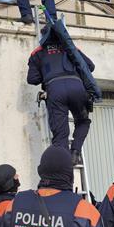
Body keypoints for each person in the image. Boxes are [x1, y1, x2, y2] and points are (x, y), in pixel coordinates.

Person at [27, 26, 95, 165]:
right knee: (82, 121)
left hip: (55, 91)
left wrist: (46, 74)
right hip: (77, 88)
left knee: (60, 134)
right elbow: (90, 66)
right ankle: (75, 152)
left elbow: (32, 79)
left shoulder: (37, 53)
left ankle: (64, 164)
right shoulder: (71, 48)